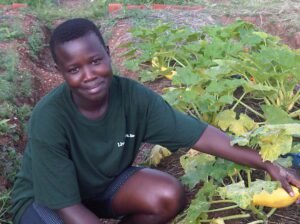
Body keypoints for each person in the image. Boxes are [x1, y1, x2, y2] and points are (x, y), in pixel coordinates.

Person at [11, 18, 300, 224]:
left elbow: (203, 136)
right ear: (61, 72)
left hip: (103, 187)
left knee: (168, 196)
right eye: (74, 68)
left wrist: (268, 163)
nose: (88, 75)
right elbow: (67, 205)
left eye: (95, 61)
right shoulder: (50, 118)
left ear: (108, 55)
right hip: (49, 201)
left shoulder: (135, 99)